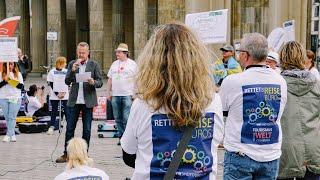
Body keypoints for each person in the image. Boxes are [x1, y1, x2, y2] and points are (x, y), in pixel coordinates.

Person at [121, 23, 224, 179]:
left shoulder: (143, 104)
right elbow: (214, 146)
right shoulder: (213, 101)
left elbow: (128, 156)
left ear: (153, 61)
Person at [219, 33, 287, 179]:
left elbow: (222, 111)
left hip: (240, 154)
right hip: (270, 154)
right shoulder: (280, 81)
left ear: (245, 55)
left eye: (239, 52)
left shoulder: (232, 81)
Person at [277, 41, 320, 180]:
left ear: (282, 58)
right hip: (313, 149)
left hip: (286, 151)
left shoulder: (276, 85)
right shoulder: (316, 84)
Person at [55, 42, 103, 163]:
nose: (81, 54)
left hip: (88, 101)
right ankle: (66, 154)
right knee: (70, 128)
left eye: (83, 53)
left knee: (86, 129)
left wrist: (93, 82)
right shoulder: (72, 63)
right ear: (77, 52)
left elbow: (100, 82)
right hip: (74, 101)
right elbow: (67, 81)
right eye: (79, 52)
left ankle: (84, 155)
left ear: (88, 52)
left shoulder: (94, 64)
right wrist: (72, 70)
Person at [106, 43, 137, 145]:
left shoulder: (132, 64)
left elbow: (137, 79)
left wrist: (135, 93)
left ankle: (128, 138)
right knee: (117, 117)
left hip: (127, 94)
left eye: (119, 52)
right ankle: (122, 137)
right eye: (116, 52)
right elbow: (110, 79)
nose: (117, 54)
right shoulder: (114, 64)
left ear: (125, 53)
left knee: (126, 117)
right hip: (115, 95)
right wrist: (108, 92)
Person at [0, 62, 24, 142]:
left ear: (14, 65)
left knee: (12, 117)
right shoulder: (1, 74)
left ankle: (8, 135)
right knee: (7, 117)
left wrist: (10, 80)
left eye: (11, 64)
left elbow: (21, 86)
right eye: (8, 64)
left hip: (15, 97)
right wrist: (5, 81)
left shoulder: (18, 74)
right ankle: (12, 134)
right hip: (4, 98)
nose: (10, 66)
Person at [46, 57, 69, 135]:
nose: (66, 64)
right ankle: (52, 126)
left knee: (67, 110)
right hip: (54, 94)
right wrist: (57, 93)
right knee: (54, 111)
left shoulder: (66, 71)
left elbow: (68, 82)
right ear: (61, 63)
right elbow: (51, 83)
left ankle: (69, 127)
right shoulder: (52, 72)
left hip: (64, 94)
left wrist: (64, 92)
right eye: (64, 62)